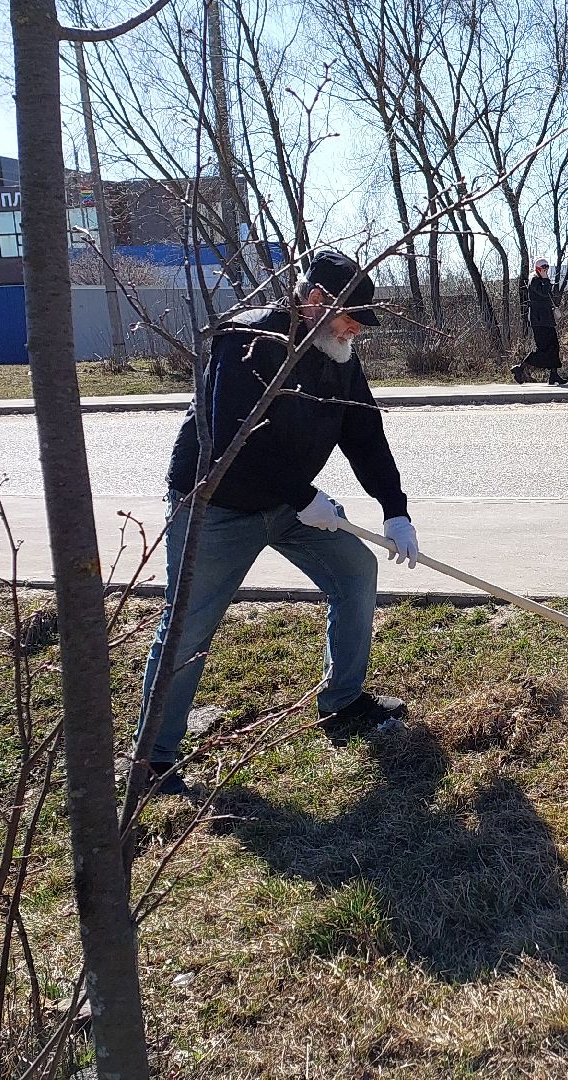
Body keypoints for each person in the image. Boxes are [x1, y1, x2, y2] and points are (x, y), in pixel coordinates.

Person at [136, 249, 419, 794]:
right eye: (352, 317)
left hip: (289, 503)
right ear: (315, 300)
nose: (357, 330)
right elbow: (233, 435)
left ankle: (342, 703)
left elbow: (364, 433)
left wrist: (395, 508)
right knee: (188, 626)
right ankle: (152, 760)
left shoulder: (338, 354)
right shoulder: (249, 340)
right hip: (214, 505)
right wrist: (304, 495)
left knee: (355, 571)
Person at [510, 258, 565, 385]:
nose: (546, 270)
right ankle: (520, 367)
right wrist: (545, 279)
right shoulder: (534, 280)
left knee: (554, 346)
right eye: (543, 267)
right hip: (539, 321)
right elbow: (544, 293)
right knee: (543, 349)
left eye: (547, 267)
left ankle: (554, 375)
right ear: (538, 268)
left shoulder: (542, 280)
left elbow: (548, 294)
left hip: (547, 320)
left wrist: (545, 280)